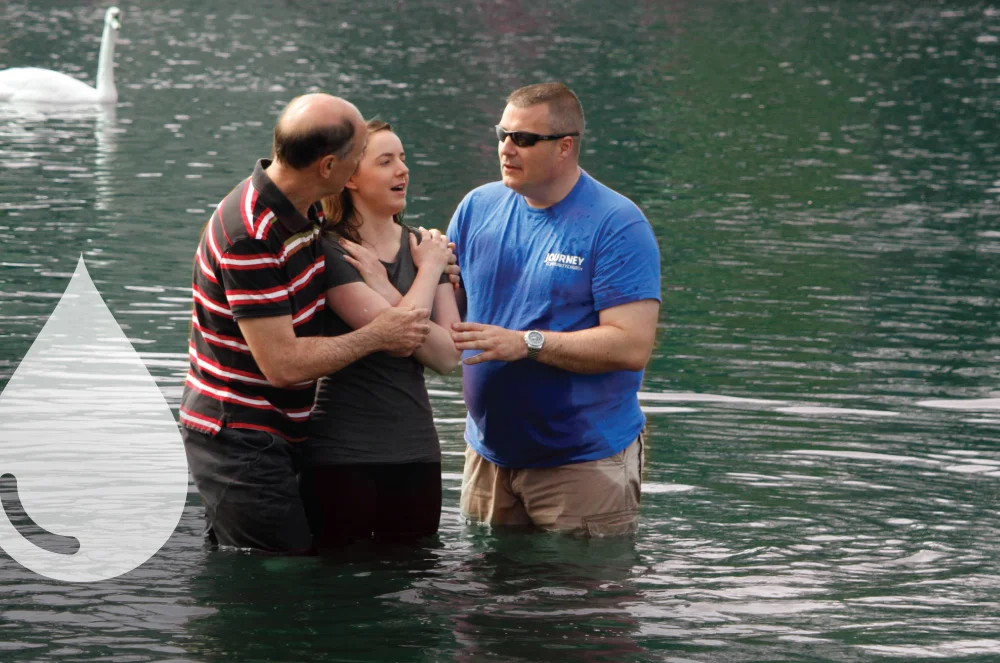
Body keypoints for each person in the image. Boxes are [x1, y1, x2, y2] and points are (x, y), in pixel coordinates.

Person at [180, 94, 433, 554]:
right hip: (238, 434)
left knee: (283, 561)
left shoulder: (305, 209)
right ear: (329, 167)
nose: (362, 166)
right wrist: (378, 335)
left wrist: (392, 273)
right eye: (359, 155)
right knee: (278, 570)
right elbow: (283, 364)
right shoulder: (251, 234)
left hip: (281, 428)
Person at [446, 82, 662, 536]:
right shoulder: (476, 208)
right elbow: (450, 315)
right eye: (502, 134)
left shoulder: (617, 224)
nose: (507, 148)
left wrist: (524, 344)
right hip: (487, 456)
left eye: (523, 139)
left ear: (565, 147)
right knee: (484, 602)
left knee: (578, 604)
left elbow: (631, 345)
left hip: (582, 464)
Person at [302, 120, 462, 549]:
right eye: (386, 161)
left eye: (404, 159)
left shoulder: (426, 246)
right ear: (350, 176)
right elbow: (404, 337)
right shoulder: (332, 251)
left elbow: (448, 357)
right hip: (342, 453)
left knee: (415, 581)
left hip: (417, 450)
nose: (403, 171)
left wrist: (388, 284)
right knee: (345, 585)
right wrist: (429, 273)